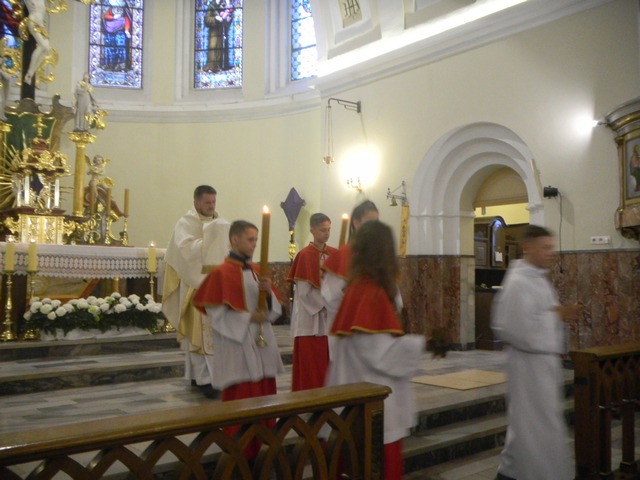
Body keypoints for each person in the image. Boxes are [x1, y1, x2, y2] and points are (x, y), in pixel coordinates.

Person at [325, 220, 425, 480]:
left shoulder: (358, 288)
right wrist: (420, 343)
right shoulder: (370, 293)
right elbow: (382, 356)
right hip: (374, 410)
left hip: (357, 404)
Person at [491, 225, 580, 480]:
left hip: (541, 366)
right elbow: (513, 328)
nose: (551, 253)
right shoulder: (518, 282)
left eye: (551, 247)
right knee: (533, 429)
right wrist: (556, 316)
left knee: (532, 429)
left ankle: (510, 473)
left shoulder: (537, 279)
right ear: (528, 247)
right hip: (527, 366)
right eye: (545, 248)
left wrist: (555, 315)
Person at [193, 220, 284, 458]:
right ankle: (239, 456)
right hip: (237, 347)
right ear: (235, 240)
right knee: (242, 402)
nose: (254, 244)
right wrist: (248, 318)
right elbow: (215, 313)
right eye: (250, 239)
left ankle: (266, 453)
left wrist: (268, 293)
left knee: (265, 398)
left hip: (261, 345)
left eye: (256, 240)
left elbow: (274, 310)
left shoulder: (256, 271)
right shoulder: (220, 274)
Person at [162, 185, 230, 399]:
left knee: (215, 336)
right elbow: (185, 252)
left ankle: (202, 377)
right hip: (195, 287)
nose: (211, 206)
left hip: (217, 289)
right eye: (207, 202)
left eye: (214, 202)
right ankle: (204, 380)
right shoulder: (186, 223)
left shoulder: (221, 224)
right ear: (196, 203)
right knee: (198, 335)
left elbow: (228, 250)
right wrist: (212, 242)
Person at [287, 212, 337, 391]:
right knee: (312, 364)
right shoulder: (304, 255)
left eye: (329, 229)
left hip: (330, 317)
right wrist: (328, 301)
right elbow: (303, 293)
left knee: (329, 363)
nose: (327, 233)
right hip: (311, 317)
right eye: (323, 230)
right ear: (312, 230)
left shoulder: (334, 254)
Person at [321, 200, 380, 334]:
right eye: (369, 222)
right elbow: (330, 295)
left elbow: (394, 296)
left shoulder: (380, 255)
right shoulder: (344, 255)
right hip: (349, 329)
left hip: (376, 326)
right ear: (356, 223)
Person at [23, 0, 51, 86]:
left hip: (41, 25)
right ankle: (29, 73)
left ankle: (30, 74)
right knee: (42, 46)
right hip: (33, 22)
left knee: (46, 49)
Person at [204, 0, 234, 72]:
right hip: (214, 33)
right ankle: (212, 67)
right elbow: (207, 20)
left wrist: (228, 18)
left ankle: (223, 66)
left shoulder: (224, 5)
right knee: (214, 48)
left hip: (223, 32)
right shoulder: (211, 6)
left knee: (223, 49)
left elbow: (228, 18)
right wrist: (215, 18)